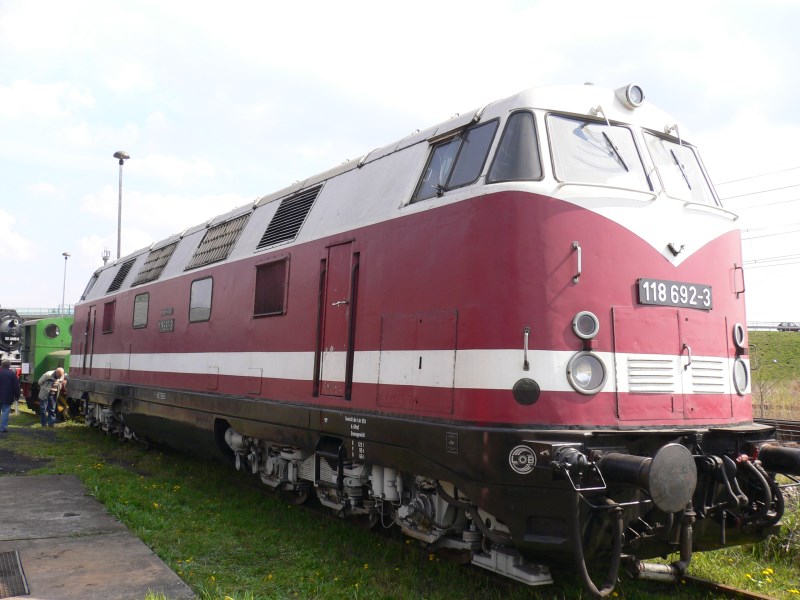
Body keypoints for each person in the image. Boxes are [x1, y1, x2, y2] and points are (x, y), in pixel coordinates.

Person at [0, 359, 20, 433]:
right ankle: (3, 428)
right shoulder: (12, 374)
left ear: (1, 365)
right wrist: (17, 395)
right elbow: (16, 386)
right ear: (9, 366)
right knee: (5, 412)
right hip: (7, 397)